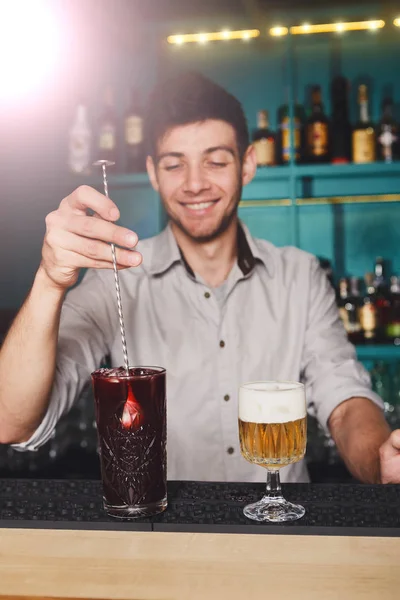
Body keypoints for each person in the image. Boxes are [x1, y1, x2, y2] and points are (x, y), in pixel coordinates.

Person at [0, 72, 399, 484]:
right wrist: (50, 280)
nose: (194, 184)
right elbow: (11, 422)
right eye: (175, 164)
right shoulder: (115, 280)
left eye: (215, 161)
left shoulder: (299, 275)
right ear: (154, 173)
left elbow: (345, 400)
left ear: (246, 165)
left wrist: (379, 460)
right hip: (161, 538)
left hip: (281, 534)